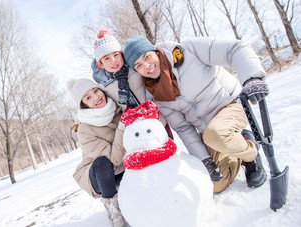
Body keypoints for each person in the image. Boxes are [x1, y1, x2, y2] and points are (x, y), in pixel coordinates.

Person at [123, 35, 268, 193]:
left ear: (156, 52)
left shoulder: (188, 50)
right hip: (209, 131)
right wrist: (204, 160)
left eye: (147, 56)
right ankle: (240, 140)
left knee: (216, 133)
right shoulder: (154, 94)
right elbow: (183, 127)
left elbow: (233, 50)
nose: (147, 66)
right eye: (138, 65)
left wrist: (251, 78)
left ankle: (251, 156)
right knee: (214, 185)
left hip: (231, 104)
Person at [91, 28, 222, 181]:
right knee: (147, 158)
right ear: (100, 64)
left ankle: (176, 177)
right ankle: (157, 185)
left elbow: (154, 61)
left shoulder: (134, 65)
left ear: (121, 54)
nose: (113, 61)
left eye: (115, 55)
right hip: (135, 128)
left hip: (156, 118)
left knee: (166, 148)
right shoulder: (103, 85)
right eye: (106, 59)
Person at [67, 78, 126, 227]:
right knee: (102, 162)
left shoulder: (117, 108)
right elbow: (114, 160)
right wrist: (122, 127)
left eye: (95, 91)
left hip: (123, 166)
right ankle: (114, 210)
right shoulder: (84, 129)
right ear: (84, 105)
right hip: (99, 175)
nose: (96, 97)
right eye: (88, 97)